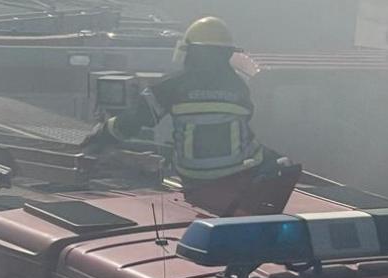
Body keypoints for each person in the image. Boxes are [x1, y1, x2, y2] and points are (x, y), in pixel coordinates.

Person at [81, 16, 289, 191]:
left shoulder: (172, 85)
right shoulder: (240, 86)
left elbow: (136, 119)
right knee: (278, 161)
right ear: (226, 53)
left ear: (191, 51)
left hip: (192, 175)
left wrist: (102, 135)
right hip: (236, 171)